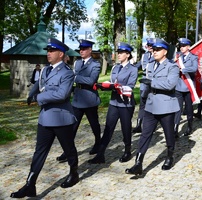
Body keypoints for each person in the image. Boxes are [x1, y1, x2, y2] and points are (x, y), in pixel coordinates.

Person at [10, 38, 79, 198]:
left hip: (62, 119)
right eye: (47, 51)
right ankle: (30, 185)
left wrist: (38, 98)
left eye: (51, 51)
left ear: (61, 54)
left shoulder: (67, 73)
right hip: (46, 118)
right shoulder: (46, 70)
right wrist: (31, 94)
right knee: (39, 152)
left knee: (69, 149)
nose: (48, 53)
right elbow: (38, 83)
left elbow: (62, 95)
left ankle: (73, 173)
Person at [125, 38, 180, 175]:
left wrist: (152, 82)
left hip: (166, 105)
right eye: (153, 50)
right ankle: (138, 163)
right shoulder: (150, 65)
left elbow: (170, 85)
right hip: (150, 104)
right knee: (145, 134)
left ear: (165, 52)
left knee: (168, 134)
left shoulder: (172, 66)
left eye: (157, 50)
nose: (154, 52)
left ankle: (169, 156)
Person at [88, 42, 138, 164]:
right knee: (108, 128)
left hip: (126, 103)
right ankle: (100, 154)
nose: (119, 54)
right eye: (118, 52)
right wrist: (104, 86)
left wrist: (116, 86)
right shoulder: (115, 67)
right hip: (114, 102)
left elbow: (130, 86)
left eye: (121, 53)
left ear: (127, 54)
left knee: (126, 128)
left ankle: (127, 151)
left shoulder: (133, 69)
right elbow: (111, 82)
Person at [56, 39, 102, 163]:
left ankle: (98, 143)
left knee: (94, 124)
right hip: (77, 98)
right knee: (72, 126)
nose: (81, 51)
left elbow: (91, 81)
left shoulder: (95, 64)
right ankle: (67, 150)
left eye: (84, 49)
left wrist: (75, 76)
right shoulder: (77, 63)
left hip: (89, 99)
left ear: (90, 50)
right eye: (80, 49)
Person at [174, 38, 198, 137]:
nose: (182, 48)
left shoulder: (193, 57)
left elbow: (194, 68)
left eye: (184, 46)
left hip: (188, 86)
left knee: (189, 108)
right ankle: (175, 128)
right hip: (178, 86)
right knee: (177, 109)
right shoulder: (177, 57)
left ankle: (189, 125)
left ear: (188, 47)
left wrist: (182, 69)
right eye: (181, 46)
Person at [132, 38, 155, 133]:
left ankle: (151, 125)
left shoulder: (159, 56)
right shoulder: (144, 55)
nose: (149, 47)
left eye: (151, 45)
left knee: (153, 104)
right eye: (148, 45)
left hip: (154, 83)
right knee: (142, 104)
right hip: (144, 82)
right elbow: (139, 65)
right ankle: (138, 125)